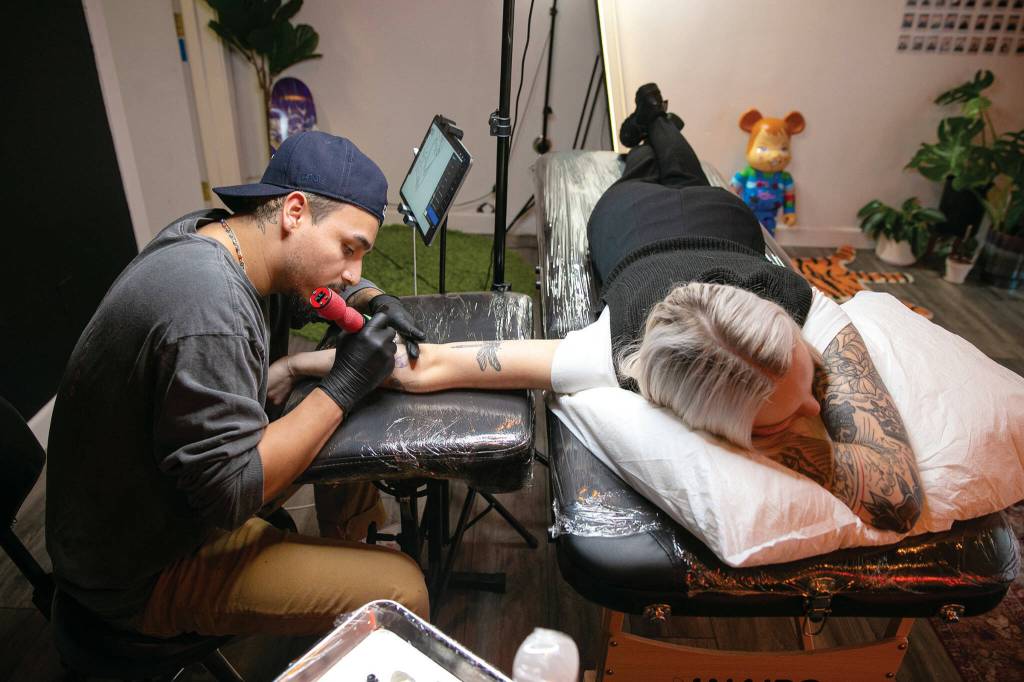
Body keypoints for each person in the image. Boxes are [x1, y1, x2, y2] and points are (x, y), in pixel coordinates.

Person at [269, 87, 924, 536]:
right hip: (627, 219)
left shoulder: (797, 302)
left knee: (686, 170)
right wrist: (302, 365)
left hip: (724, 221)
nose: (816, 410)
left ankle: (654, 118)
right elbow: (427, 362)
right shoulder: (614, 349)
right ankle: (649, 129)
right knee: (646, 172)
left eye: (804, 389)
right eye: (782, 419)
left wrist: (303, 363)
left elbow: (896, 494)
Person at [46, 131, 429, 638]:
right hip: (140, 567)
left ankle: (347, 554)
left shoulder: (225, 238)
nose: (352, 272)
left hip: (165, 502)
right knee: (402, 590)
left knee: (346, 427)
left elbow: (308, 296)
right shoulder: (210, 308)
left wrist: (373, 298)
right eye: (348, 249)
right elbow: (232, 495)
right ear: (294, 212)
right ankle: (355, 586)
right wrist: (345, 384)